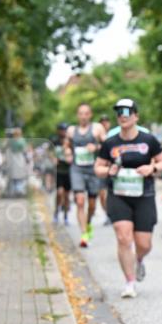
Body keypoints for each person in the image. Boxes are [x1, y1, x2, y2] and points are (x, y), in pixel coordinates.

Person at [94, 99, 162, 299]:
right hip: (118, 195)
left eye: (127, 112)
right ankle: (129, 282)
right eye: (119, 112)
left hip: (143, 195)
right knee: (123, 237)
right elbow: (98, 167)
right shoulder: (110, 143)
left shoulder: (148, 140)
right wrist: (108, 170)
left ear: (136, 116)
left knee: (144, 244)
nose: (123, 115)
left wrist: (152, 168)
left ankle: (139, 259)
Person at [66, 103, 107, 246]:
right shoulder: (71, 130)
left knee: (92, 204)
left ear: (90, 115)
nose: (83, 116)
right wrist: (68, 153)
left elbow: (108, 145)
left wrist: (96, 147)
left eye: (86, 113)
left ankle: (88, 223)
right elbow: (67, 144)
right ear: (77, 115)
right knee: (79, 200)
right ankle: (83, 234)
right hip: (77, 169)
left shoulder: (97, 128)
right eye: (80, 113)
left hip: (93, 169)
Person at [50, 123, 72, 224]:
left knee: (67, 196)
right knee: (59, 193)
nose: (63, 132)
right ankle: (56, 212)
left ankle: (66, 216)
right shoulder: (55, 141)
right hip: (59, 171)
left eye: (65, 130)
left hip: (69, 171)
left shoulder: (72, 142)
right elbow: (50, 153)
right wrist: (53, 159)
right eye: (61, 130)